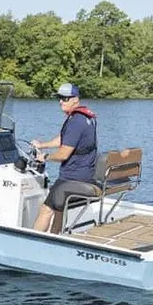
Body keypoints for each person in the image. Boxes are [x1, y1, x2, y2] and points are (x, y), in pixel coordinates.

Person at [32, 83, 99, 233]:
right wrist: (42, 145)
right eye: (59, 98)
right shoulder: (84, 117)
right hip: (85, 175)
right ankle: (55, 236)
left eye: (65, 98)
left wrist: (46, 157)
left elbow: (63, 154)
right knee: (58, 205)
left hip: (73, 178)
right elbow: (64, 139)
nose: (61, 101)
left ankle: (35, 241)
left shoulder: (76, 121)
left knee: (46, 209)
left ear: (75, 99)